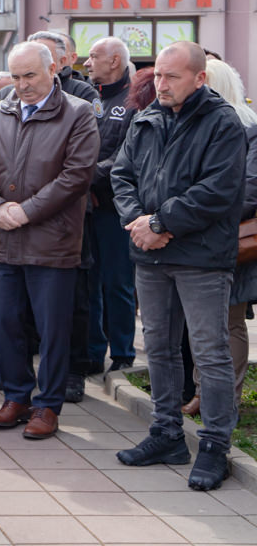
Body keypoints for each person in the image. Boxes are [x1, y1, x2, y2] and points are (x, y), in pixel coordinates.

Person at [112, 41, 245, 491]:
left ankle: (214, 447)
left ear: (200, 78)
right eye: (158, 75)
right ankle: (166, 434)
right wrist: (139, 221)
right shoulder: (147, 117)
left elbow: (219, 190)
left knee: (210, 354)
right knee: (160, 349)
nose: (160, 84)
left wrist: (161, 221)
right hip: (149, 252)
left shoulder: (223, 122)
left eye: (171, 77)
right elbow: (122, 175)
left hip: (201, 257)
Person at [0, 41, 98, 439]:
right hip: (3, 239)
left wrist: (25, 211)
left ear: (53, 71)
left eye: (30, 76)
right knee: (5, 323)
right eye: (17, 76)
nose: (22, 85)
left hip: (51, 239)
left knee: (52, 327)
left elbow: (76, 175)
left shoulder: (77, 114)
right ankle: (16, 397)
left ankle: (48, 405)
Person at [181, 59, 257, 418]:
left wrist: (200, 213)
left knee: (229, 321)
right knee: (201, 323)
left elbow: (250, 190)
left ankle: (228, 398)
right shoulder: (193, 125)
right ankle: (203, 392)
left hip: (229, 241)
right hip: (194, 236)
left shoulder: (249, 128)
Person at [82, 36, 137, 374]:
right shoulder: (90, 99)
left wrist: (84, 178)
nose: (87, 64)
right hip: (85, 208)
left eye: (93, 57)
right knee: (88, 282)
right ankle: (91, 352)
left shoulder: (136, 102)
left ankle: (123, 353)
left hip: (116, 209)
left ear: (114, 60)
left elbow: (127, 158)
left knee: (117, 283)